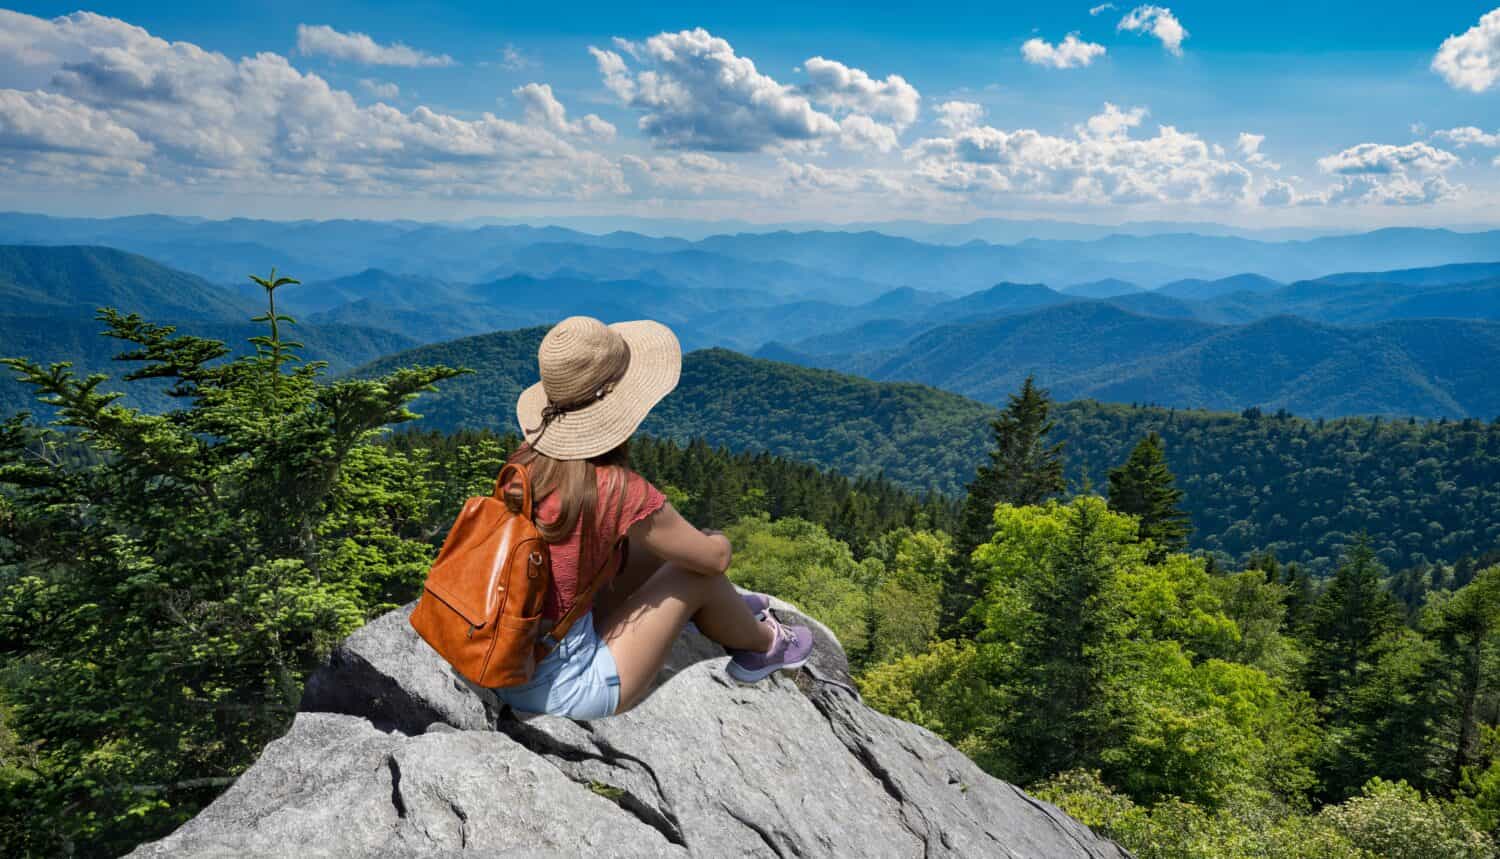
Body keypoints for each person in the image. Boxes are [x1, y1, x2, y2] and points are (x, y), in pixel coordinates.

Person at [493, 315, 812, 720]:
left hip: (507, 659)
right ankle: (767, 645)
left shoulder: (525, 466)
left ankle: (723, 610)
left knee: (655, 551)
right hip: (563, 689)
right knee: (697, 569)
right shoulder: (614, 487)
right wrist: (720, 542)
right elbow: (713, 560)